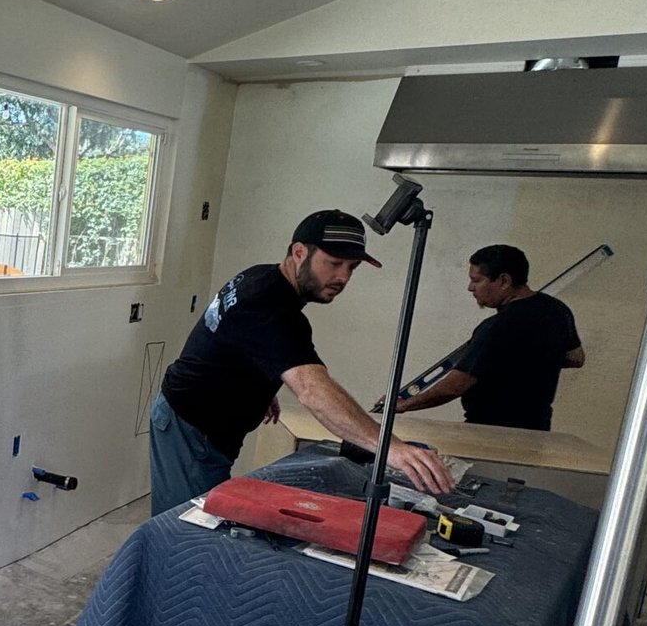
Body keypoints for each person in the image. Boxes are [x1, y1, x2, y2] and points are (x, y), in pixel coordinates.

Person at [149, 210, 457, 516]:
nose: (344, 277)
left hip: (195, 419)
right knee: (187, 529)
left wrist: (262, 386)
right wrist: (389, 446)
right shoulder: (272, 309)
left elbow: (231, 338)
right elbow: (312, 389)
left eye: (352, 267)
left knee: (196, 522)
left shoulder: (261, 276)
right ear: (299, 252)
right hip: (190, 425)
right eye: (334, 263)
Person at [394, 244, 583, 432]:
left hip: (491, 433)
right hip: (537, 432)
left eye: (476, 280)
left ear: (504, 281)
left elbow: (453, 387)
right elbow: (576, 358)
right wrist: (531, 361)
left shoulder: (497, 327)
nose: (470, 288)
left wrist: (404, 404)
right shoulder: (558, 310)